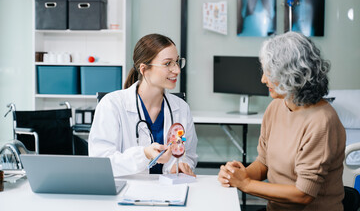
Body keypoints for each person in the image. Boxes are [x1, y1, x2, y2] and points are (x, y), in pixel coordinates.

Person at [218, 32, 346, 210]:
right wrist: (239, 174)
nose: (263, 79)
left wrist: (245, 184)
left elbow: (303, 195)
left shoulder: (322, 122)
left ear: (291, 75)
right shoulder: (276, 107)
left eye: (269, 73)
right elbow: (264, 164)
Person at [89, 33, 198, 177]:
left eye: (177, 62)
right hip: (126, 191)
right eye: (167, 63)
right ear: (144, 69)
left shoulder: (181, 108)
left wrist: (181, 166)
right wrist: (144, 154)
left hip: (169, 191)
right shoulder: (112, 105)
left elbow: (189, 155)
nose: (177, 70)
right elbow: (101, 162)